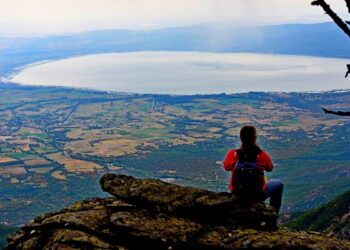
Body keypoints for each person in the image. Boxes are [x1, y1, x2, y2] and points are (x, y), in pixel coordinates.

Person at [223, 126, 283, 214]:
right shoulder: (261, 155)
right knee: (279, 184)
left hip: (237, 193)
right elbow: (270, 168)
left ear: (241, 138)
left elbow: (226, 167)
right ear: (255, 138)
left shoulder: (233, 153)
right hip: (257, 195)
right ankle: (273, 214)